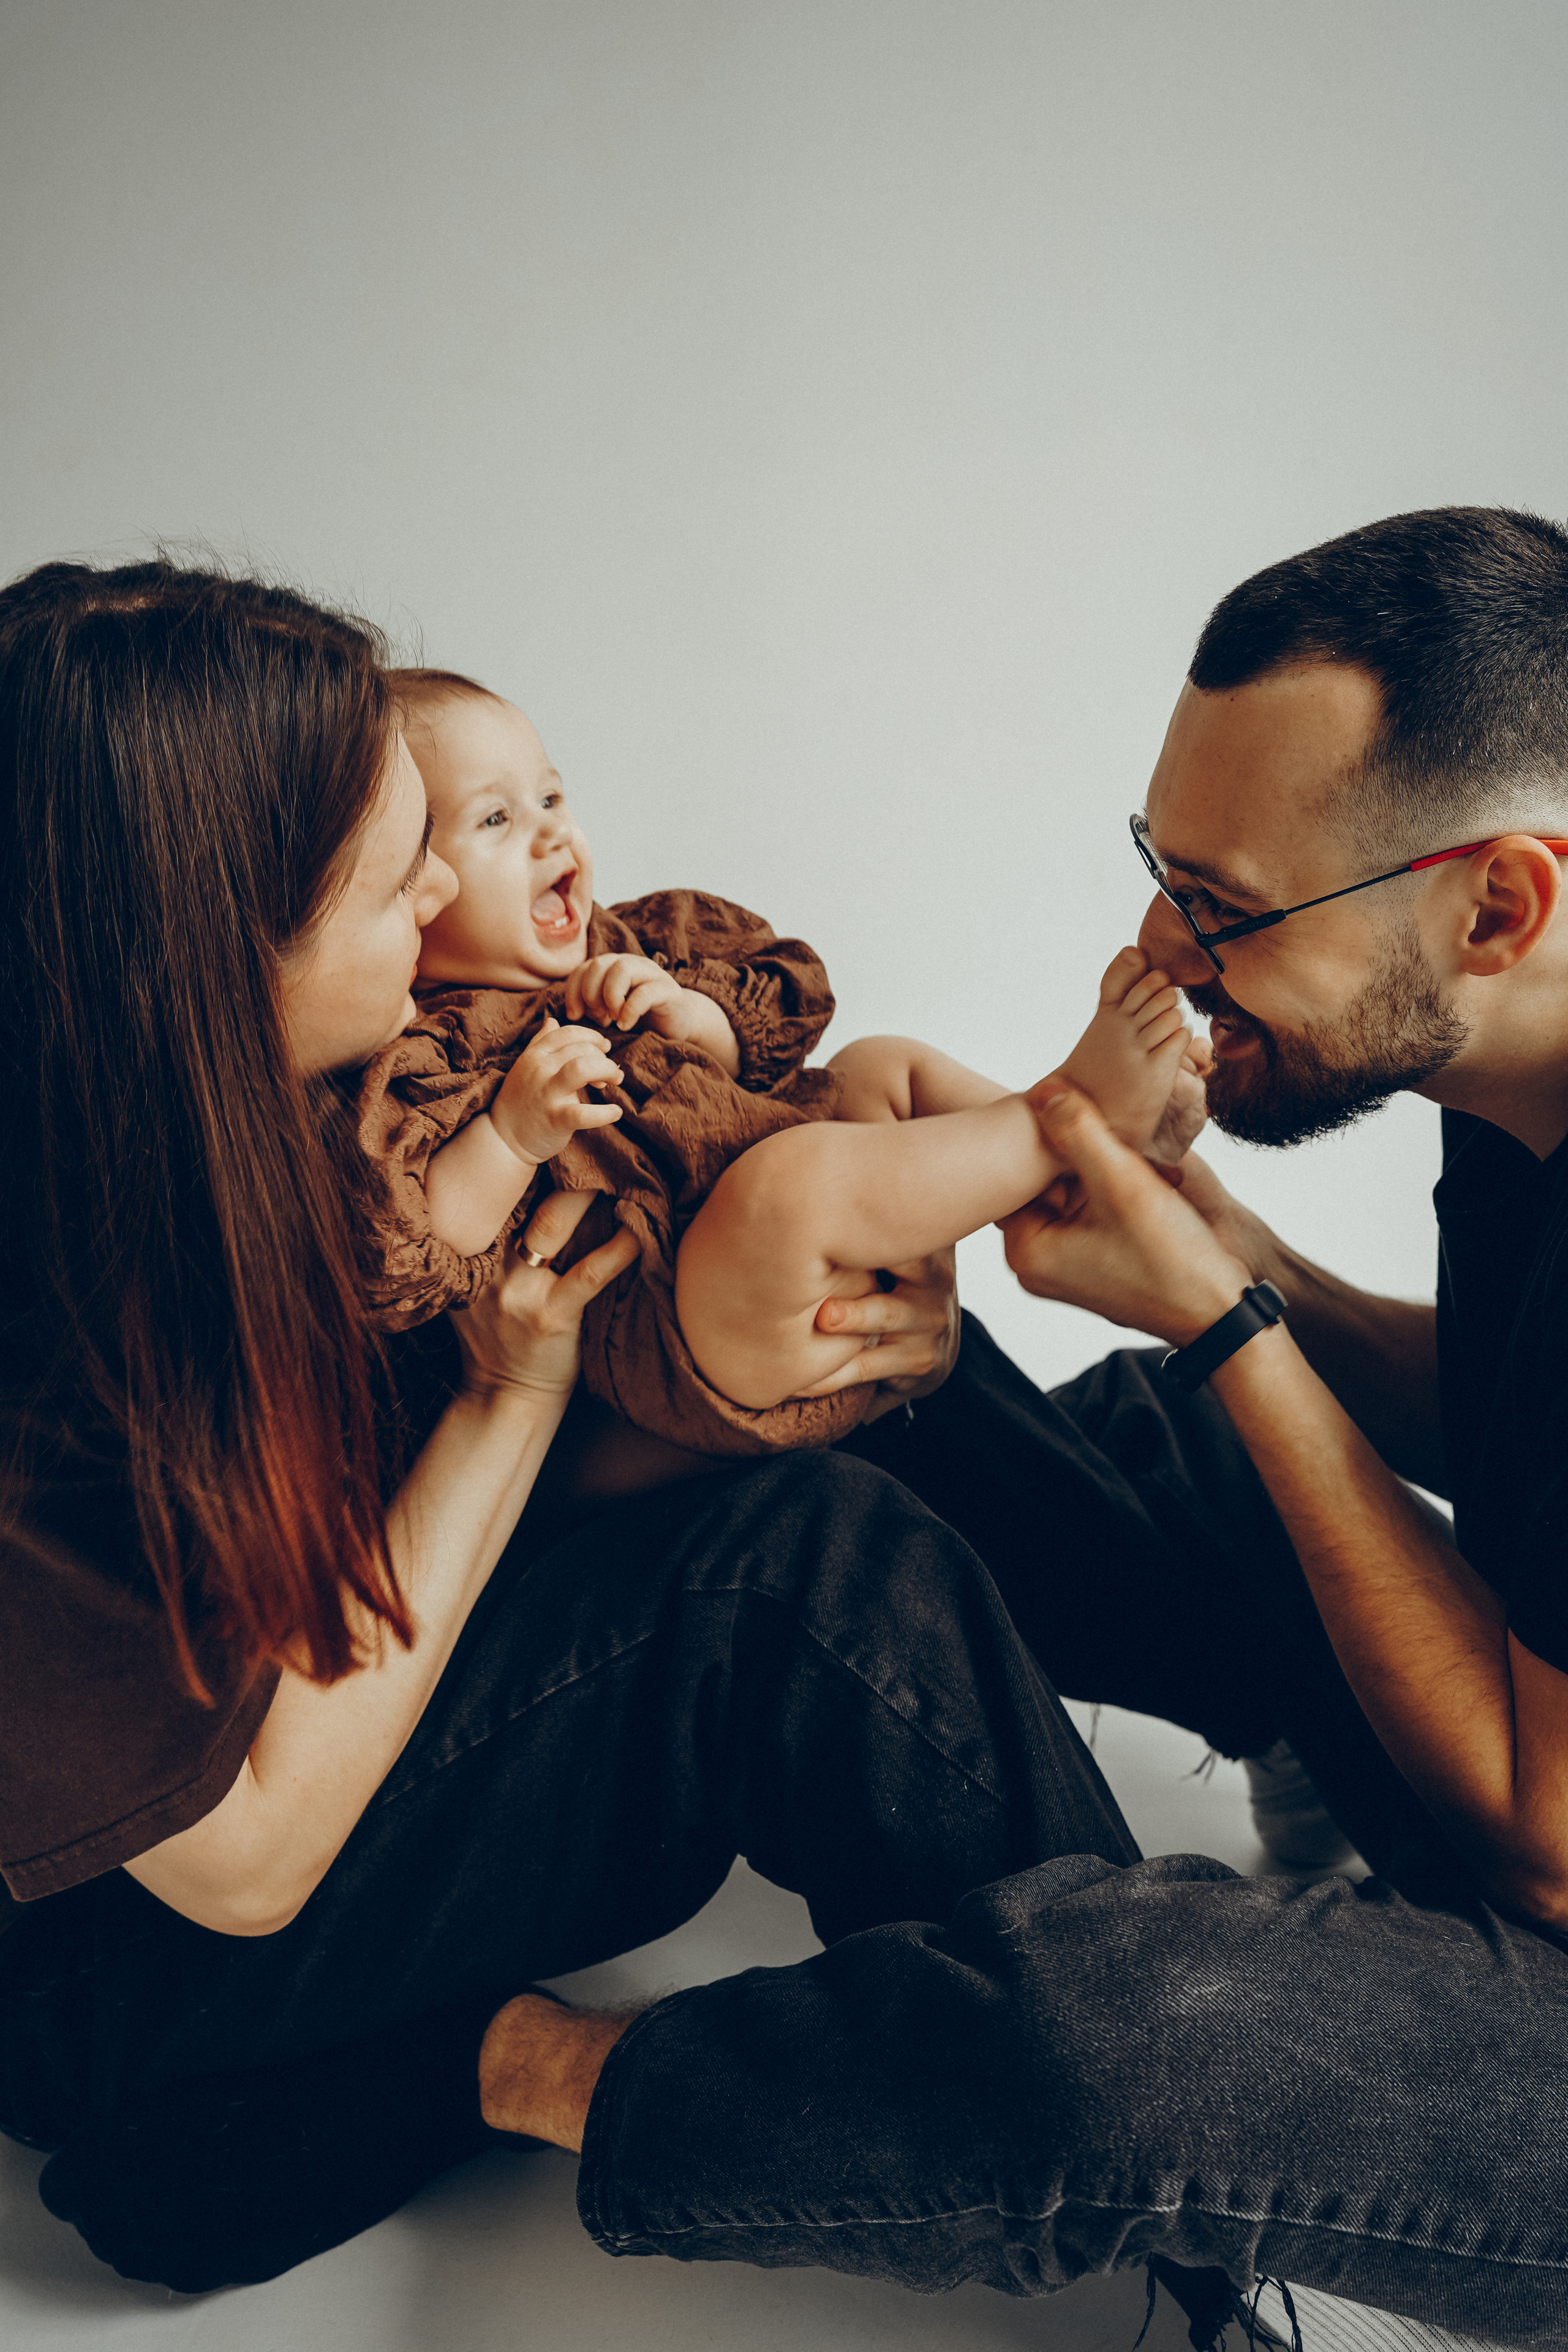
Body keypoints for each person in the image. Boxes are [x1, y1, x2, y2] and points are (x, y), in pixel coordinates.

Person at [478, 507, 1568, 2351]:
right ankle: (1302, 1737)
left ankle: (521, 2065)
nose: (1162, 947)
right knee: (1159, 1423)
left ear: (1497, 906)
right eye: (1164, 868)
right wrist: (1236, 1261)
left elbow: (1547, 1841)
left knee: (1130, 2026)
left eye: (1225, 910)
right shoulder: (1507, 1061)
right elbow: (1518, 1412)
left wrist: (1229, 1324)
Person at [0, 558, 1107, 2299]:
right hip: (125, 1936)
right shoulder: (45, 1336)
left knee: (842, 1378)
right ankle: (1215, 2132)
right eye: (396, 873)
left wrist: (778, 1360)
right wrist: (519, 1396)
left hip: (285, 1704)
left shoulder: (252, 1108)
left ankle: (1322, 1725)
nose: (450, 880)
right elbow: (253, 1862)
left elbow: (377, 1461)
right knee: (799, 1573)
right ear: (218, 957)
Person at [356, 668, 1206, 1455]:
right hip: (691, 1333)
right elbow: (413, 1246)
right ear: (410, 884)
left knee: (880, 1066)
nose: (551, 833)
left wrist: (691, 1014)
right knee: (786, 1190)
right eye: (497, 819)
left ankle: (1088, 1168)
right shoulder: (437, 1053)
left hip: (815, 1281)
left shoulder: (635, 943)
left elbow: (787, 1013)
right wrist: (510, 1137)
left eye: (551, 795)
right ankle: (1074, 1120)